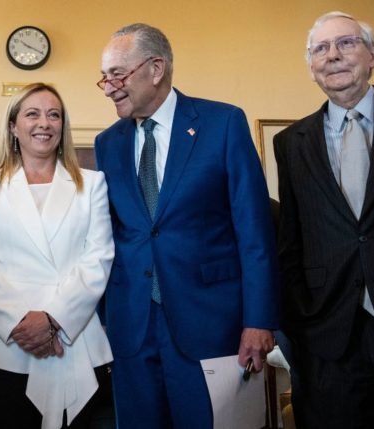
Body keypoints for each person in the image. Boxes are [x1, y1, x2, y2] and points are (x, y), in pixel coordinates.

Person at [94, 23, 279, 427]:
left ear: (156, 68)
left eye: (116, 75)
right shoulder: (108, 143)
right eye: (104, 78)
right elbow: (110, 235)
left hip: (212, 323)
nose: (108, 87)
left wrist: (259, 319)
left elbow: (254, 231)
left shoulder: (223, 123)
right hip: (133, 329)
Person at [274, 11, 374, 428]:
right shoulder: (290, 143)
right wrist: (300, 318)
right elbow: (292, 241)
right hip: (330, 336)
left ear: (372, 54)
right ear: (311, 67)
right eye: (320, 48)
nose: (333, 55)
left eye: (346, 43)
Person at [0, 83, 114, 429]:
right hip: (3, 349)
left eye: (54, 114)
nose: (44, 123)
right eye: (32, 114)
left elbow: (99, 258)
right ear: (14, 126)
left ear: (63, 126)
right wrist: (21, 322)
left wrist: (52, 319)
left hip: (72, 340)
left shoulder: (92, 184)